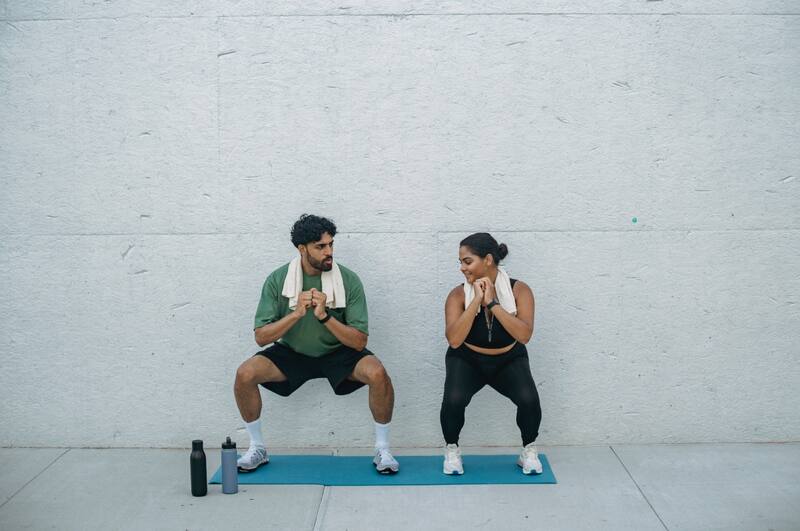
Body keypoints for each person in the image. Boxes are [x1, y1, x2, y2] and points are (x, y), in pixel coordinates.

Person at [233, 214, 399, 474]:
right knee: (245, 374)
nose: (329, 252)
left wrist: (324, 316)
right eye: (320, 247)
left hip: (338, 352)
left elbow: (359, 341)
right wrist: (296, 313)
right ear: (302, 249)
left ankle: (383, 450)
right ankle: (257, 448)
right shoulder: (278, 280)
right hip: (293, 352)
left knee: (377, 373)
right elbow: (262, 337)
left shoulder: (348, 279)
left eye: (331, 245)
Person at [440, 233, 543, 475]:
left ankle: (528, 450)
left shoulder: (520, 290)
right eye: (460, 262)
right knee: (454, 400)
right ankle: (452, 450)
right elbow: (454, 340)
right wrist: (476, 301)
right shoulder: (457, 295)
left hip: (508, 357)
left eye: (467, 261)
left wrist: (494, 303)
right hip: (467, 358)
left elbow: (525, 335)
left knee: (529, 400)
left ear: (488, 259)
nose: (462, 268)